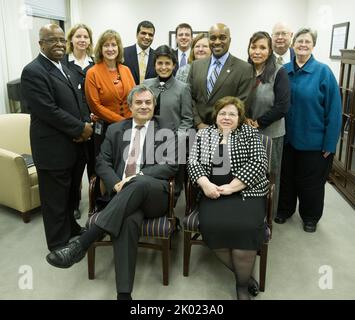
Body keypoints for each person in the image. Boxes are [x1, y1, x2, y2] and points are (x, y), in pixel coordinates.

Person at [45, 84, 179, 300]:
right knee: (127, 221)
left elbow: (171, 165)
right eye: (139, 102)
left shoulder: (167, 127)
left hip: (155, 193)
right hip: (122, 195)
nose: (144, 106)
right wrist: (117, 183)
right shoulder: (116, 129)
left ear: (154, 105)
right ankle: (124, 294)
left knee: (138, 182)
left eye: (148, 102)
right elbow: (102, 162)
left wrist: (137, 177)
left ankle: (83, 243)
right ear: (130, 107)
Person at [187, 96, 269, 300]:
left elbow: (260, 163)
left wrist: (232, 187)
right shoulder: (204, 134)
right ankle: (245, 276)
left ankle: (241, 286)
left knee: (247, 229)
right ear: (216, 115)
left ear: (239, 117)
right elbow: (192, 162)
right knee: (213, 227)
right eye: (222, 113)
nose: (226, 117)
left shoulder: (249, 133)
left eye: (232, 114)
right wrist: (205, 184)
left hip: (246, 193)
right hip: (212, 193)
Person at [21, 24, 93, 251]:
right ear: (41, 44)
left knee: (71, 194)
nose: (60, 44)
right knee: (54, 199)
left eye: (62, 40)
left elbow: (77, 99)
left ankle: (70, 228)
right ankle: (57, 242)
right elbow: (47, 110)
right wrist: (80, 128)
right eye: (53, 40)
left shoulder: (64, 66)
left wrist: (86, 123)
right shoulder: (33, 71)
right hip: (53, 148)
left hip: (73, 146)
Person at [274, 28, 342, 232]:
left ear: (313, 45)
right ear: (293, 44)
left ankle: (310, 216)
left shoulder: (323, 72)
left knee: (311, 183)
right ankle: (284, 210)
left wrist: (330, 143)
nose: (303, 44)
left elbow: (334, 111)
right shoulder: (283, 70)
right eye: (299, 41)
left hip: (314, 142)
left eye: (307, 41)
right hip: (287, 139)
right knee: (286, 179)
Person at [246, 31, 290, 218]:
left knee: (269, 176)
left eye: (262, 47)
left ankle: (267, 217)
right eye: (254, 47)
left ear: (270, 50)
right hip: (246, 132)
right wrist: (245, 119)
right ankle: (248, 213)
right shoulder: (244, 70)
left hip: (271, 134)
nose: (257, 51)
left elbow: (282, 106)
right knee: (247, 174)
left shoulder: (279, 72)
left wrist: (259, 122)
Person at [188, 23, 254, 129]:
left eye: (222, 38)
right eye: (213, 38)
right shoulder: (196, 65)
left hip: (227, 132)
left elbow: (242, 103)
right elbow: (189, 97)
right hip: (197, 130)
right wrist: (198, 123)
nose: (217, 42)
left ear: (230, 40)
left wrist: (221, 127)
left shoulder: (244, 68)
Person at [62, 23, 95, 219]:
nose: (82, 40)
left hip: (95, 122)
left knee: (94, 165)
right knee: (75, 168)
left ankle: (95, 203)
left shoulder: (95, 62)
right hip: (74, 123)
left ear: (90, 40)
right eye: (78, 36)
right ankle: (74, 203)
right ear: (71, 39)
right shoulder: (64, 63)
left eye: (85, 36)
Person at [85, 29, 135, 155]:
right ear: (100, 49)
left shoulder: (126, 70)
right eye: (106, 45)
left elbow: (135, 96)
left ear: (119, 48)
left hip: (130, 126)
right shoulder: (92, 73)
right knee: (107, 165)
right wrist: (121, 121)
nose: (110, 49)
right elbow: (95, 106)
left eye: (114, 45)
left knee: (128, 163)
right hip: (106, 128)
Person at [143, 45, 193, 134]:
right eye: (160, 63)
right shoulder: (146, 85)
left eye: (167, 63)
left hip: (173, 140)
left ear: (173, 65)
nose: (163, 67)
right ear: (154, 65)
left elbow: (187, 120)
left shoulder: (183, 88)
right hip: (148, 137)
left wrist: (177, 139)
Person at [124, 20, 157, 84]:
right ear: (137, 34)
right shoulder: (124, 53)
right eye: (143, 33)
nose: (147, 37)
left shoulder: (157, 56)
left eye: (150, 35)